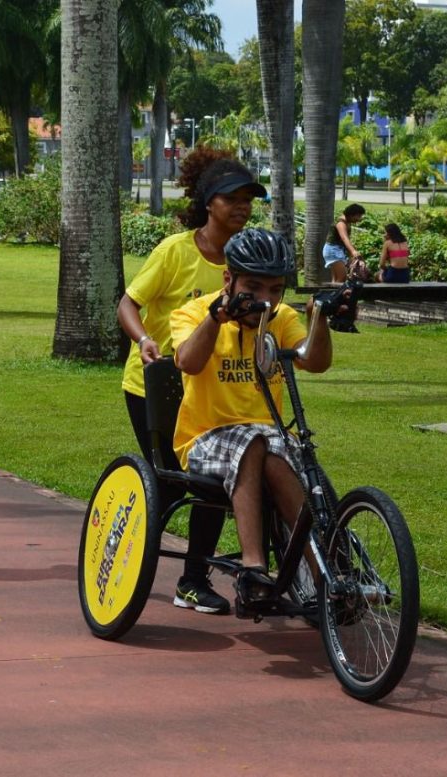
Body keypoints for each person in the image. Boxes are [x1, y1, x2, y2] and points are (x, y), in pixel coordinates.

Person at [117, 150, 267, 616]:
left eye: (248, 200)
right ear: (209, 204)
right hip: (156, 386)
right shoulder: (175, 251)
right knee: (180, 484)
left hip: (214, 389)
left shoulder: (250, 256)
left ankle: (192, 579)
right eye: (232, 199)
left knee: (215, 482)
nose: (242, 208)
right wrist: (143, 340)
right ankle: (136, 559)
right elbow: (127, 303)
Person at [171, 228, 340, 605]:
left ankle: (325, 576)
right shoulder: (193, 313)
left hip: (270, 439)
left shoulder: (281, 319)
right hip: (205, 439)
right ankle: (253, 567)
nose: (265, 301)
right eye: (254, 288)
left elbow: (314, 360)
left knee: (276, 452)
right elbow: (188, 361)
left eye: (275, 290)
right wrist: (217, 319)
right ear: (228, 279)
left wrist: (321, 319)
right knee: (256, 443)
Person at [322, 203, 366, 282]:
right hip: (333, 251)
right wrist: (353, 251)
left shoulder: (347, 222)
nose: (359, 219)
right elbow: (344, 238)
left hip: (336, 250)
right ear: (352, 214)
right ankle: (332, 294)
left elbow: (346, 240)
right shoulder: (341, 223)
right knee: (342, 277)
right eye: (358, 216)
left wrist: (352, 252)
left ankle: (328, 294)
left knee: (335, 279)